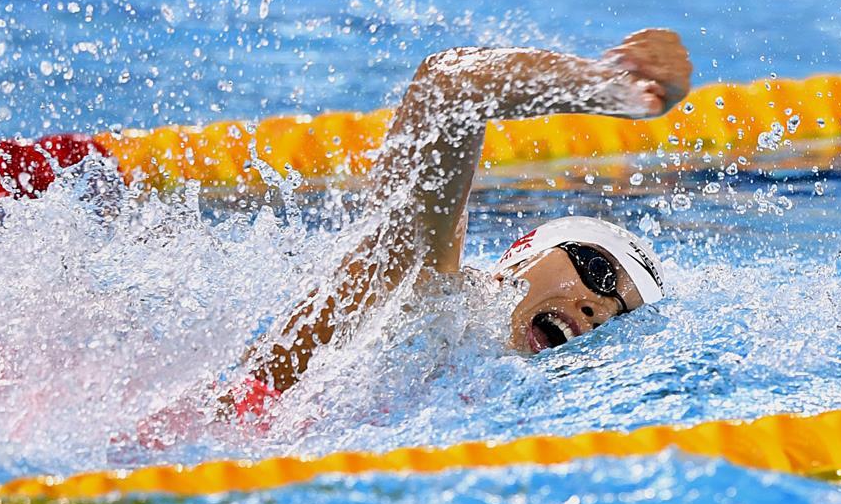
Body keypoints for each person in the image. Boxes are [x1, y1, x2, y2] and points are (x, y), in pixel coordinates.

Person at [225, 29, 693, 417]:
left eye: (620, 314)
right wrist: (610, 86)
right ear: (524, 249)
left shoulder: (502, 404)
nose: (599, 311)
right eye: (599, 272)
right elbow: (449, 88)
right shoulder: (417, 285)